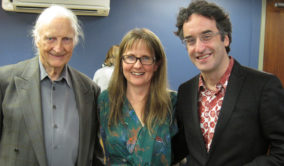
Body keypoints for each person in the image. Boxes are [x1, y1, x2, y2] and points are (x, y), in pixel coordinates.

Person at [0, 5, 103, 166]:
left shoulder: (89, 90)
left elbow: (94, 153)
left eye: (66, 39)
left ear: (74, 42)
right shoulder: (3, 81)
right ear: (37, 39)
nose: (58, 48)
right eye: (50, 38)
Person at [172, 1, 284, 166]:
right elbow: (182, 146)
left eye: (207, 36)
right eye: (190, 40)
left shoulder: (263, 86)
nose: (199, 48)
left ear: (225, 38)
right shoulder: (185, 91)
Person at [98, 28, 177, 165]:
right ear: (121, 61)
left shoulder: (172, 103)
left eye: (146, 58)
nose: (137, 65)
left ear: (157, 64)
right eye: (130, 57)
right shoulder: (106, 101)